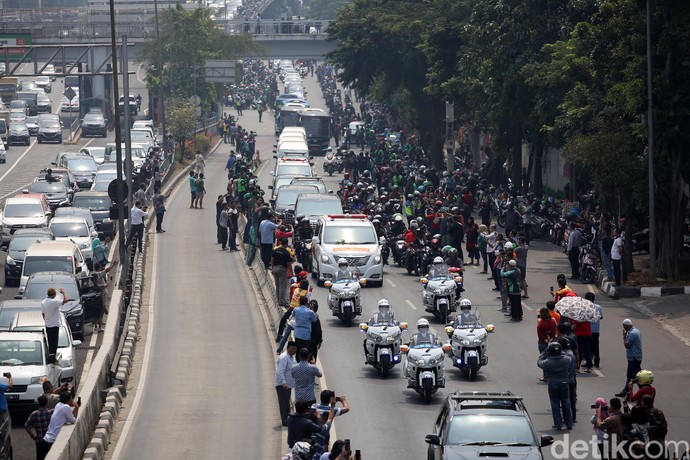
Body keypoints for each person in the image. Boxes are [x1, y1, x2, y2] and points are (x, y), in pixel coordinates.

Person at [538, 342, 573, 431]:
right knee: (566, 403)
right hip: (564, 383)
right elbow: (566, 354)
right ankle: (569, 423)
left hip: (553, 384)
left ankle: (558, 424)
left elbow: (539, 363)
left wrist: (544, 353)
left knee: (555, 404)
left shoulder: (548, 362)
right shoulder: (566, 359)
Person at [36, 390, 80, 459]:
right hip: (52, 440)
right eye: (71, 398)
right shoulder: (66, 407)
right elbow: (73, 420)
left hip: (46, 439)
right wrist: (77, 407)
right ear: (69, 400)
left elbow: (69, 417)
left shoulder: (58, 405)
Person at [617, 319, 643, 397]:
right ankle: (626, 391)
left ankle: (642, 390)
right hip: (634, 357)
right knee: (632, 375)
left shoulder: (632, 333)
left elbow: (627, 345)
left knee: (636, 376)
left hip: (634, 357)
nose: (624, 328)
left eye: (624, 326)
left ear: (627, 325)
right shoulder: (635, 331)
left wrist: (624, 337)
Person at [42, 287, 69, 361]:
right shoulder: (53, 302)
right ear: (53, 294)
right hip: (54, 325)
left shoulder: (43, 302)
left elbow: (43, 314)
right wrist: (63, 292)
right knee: (54, 343)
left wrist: (46, 320)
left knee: (50, 343)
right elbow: (66, 300)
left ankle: (50, 356)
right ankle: (53, 358)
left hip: (48, 325)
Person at [275, 341, 297, 426]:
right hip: (282, 385)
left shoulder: (292, 357)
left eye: (295, 349)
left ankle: (288, 420)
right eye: (292, 348)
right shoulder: (284, 357)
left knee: (287, 403)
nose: (294, 350)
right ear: (288, 348)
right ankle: (285, 421)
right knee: (284, 404)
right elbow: (280, 371)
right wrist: (283, 382)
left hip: (289, 385)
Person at [91, 260, 117, 332]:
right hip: (100, 299)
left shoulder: (92, 276)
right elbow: (106, 284)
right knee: (100, 312)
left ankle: (96, 325)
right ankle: (99, 326)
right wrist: (108, 278)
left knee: (96, 313)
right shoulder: (99, 281)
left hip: (95, 301)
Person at [557, 337, 578, 423]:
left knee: (563, 401)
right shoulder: (571, 354)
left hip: (563, 381)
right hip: (571, 380)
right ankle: (573, 417)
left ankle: (566, 418)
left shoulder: (560, 356)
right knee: (572, 400)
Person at [272, 237, 294, 307]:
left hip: (275, 268)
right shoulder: (286, 252)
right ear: (286, 244)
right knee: (283, 286)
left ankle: (278, 299)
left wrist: (272, 268)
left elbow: (272, 259)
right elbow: (289, 263)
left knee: (277, 285)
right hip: (282, 269)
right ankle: (281, 301)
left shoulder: (276, 250)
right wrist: (291, 272)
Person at [585, 292, 603, 368]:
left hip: (588, 330)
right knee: (595, 346)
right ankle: (597, 362)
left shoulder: (585, 307)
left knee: (587, 347)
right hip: (596, 330)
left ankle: (588, 362)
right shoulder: (598, 307)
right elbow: (601, 317)